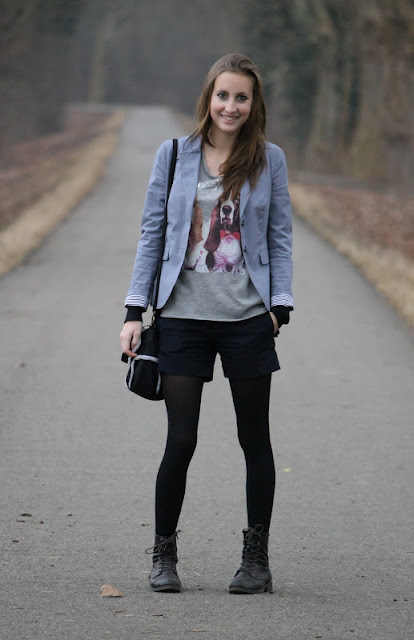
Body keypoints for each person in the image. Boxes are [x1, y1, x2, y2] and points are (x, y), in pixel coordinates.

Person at [120, 53, 293, 594]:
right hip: (182, 319)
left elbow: (280, 236)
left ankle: (256, 560)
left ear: (254, 104)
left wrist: (280, 305)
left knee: (254, 439)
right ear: (208, 98)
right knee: (181, 440)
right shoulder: (174, 155)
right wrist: (134, 310)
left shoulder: (269, 160)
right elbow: (152, 232)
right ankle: (164, 555)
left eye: (241, 97)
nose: (231, 106)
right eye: (223, 95)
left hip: (247, 319)